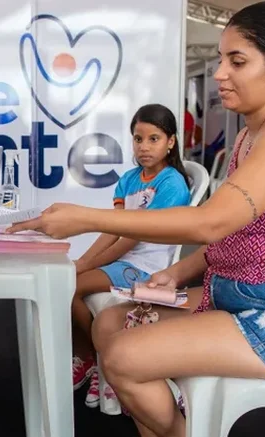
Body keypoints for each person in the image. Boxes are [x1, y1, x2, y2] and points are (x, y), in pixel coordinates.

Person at [9, 1, 265, 437]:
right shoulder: (257, 134)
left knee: (122, 354)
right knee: (109, 326)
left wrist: (86, 216)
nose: (219, 74)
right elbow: (234, 235)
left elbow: (211, 221)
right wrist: (180, 272)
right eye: (221, 59)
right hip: (237, 296)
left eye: (237, 61)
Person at [72, 104, 191, 411]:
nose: (144, 146)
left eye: (154, 138)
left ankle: (100, 363)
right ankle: (92, 361)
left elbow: (130, 238)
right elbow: (112, 230)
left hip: (146, 269)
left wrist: (85, 266)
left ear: (171, 142)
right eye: (138, 139)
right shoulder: (128, 179)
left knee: (71, 286)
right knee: (67, 280)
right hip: (122, 262)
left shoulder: (171, 182)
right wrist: (80, 261)